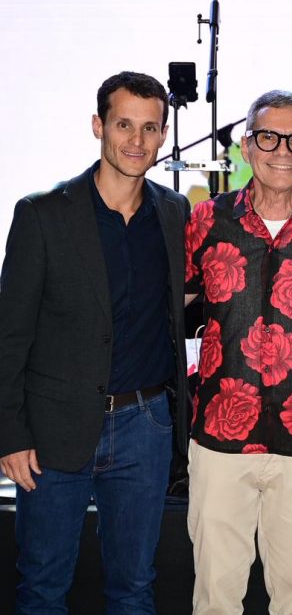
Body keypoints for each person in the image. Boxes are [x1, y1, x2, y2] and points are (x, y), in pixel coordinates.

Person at [0, 71, 189, 613]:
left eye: (150, 128)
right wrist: (10, 434)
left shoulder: (173, 212)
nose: (137, 140)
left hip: (145, 426)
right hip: (54, 428)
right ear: (98, 126)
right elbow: (10, 333)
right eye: (124, 125)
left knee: (135, 587)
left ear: (163, 135)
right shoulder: (42, 213)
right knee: (43, 587)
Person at [184, 90, 292, 615]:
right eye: (268, 137)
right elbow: (169, 309)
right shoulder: (204, 221)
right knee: (214, 597)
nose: (282, 150)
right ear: (246, 145)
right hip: (218, 440)